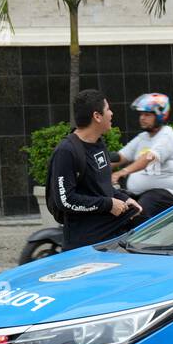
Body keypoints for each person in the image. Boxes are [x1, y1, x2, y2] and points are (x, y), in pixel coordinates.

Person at [47, 89, 142, 251]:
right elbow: (66, 200)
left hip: (109, 235)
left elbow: (100, 185)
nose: (111, 113)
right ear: (97, 116)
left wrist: (123, 198)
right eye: (108, 109)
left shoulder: (99, 144)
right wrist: (108, 204)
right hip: (84, 244)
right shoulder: (66, 151)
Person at [111, 93, 173, 219]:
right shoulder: (143, 138)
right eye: (141, 114)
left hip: (169, 193)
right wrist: (101, 166)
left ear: (160, 115)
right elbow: (121, 156)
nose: (142, 118)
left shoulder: (167, 136)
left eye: (147, 114)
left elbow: (148, 158)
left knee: (137, 213)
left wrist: (122, 172)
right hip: (144, 193)